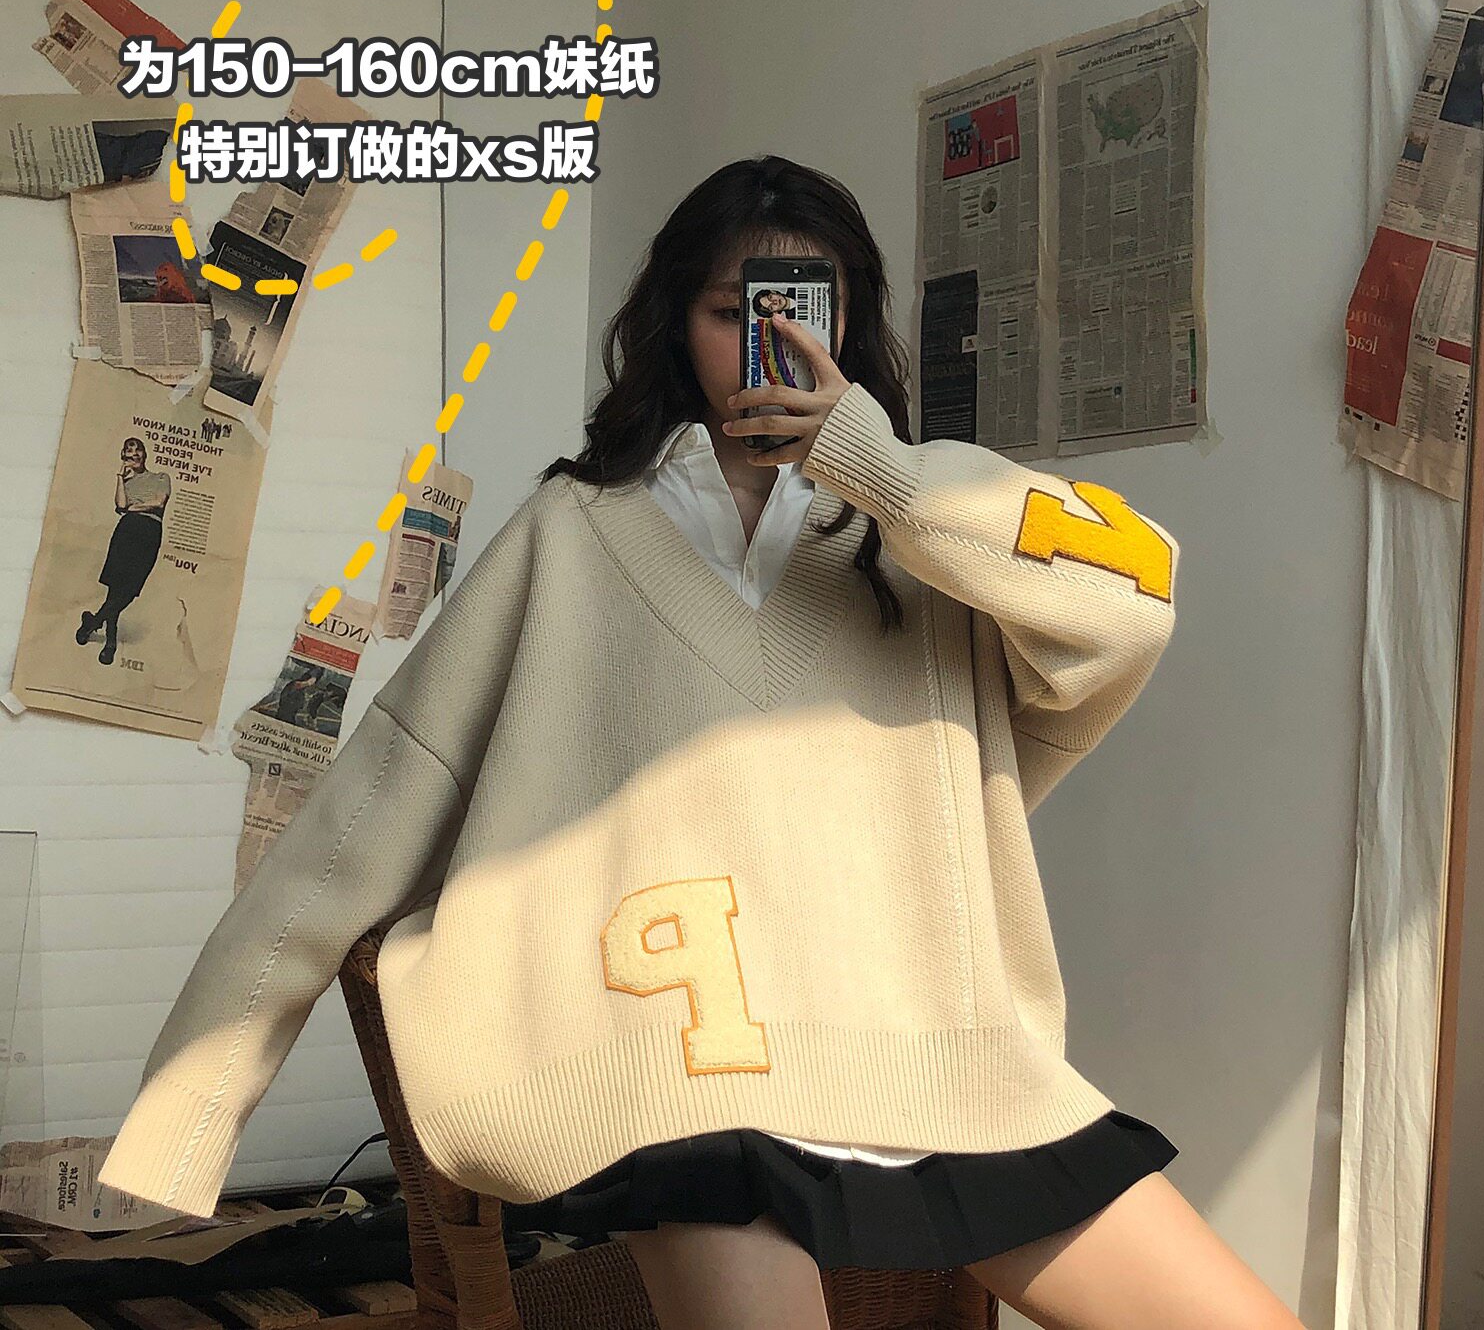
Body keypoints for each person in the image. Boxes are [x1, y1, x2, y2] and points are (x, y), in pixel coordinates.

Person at [97, 157, 1304, 1330]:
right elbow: (372, 806)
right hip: (682, 1079)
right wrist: (194, 1105)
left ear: (850, 321)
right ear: (678, 324)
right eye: (733, 312)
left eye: (804, 308)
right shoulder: (577, 531)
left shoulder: (931, 519)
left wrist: (876, 470)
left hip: (937, 1060)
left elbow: (1131, 605)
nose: (769, 342)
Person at [76, 435, 170, 666]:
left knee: (129, 590)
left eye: (138, 450)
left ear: (145, 454)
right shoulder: (126, 483)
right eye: (129, 451)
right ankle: (110, 645)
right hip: (126, 533)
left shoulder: (161, 477)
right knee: (115, 589)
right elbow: (120, 505)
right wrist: (120, 476)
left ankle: (93, 622)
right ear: (124, 457)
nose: (134, 454)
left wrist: (133, 507)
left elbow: (159, 502)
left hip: (149, 534)